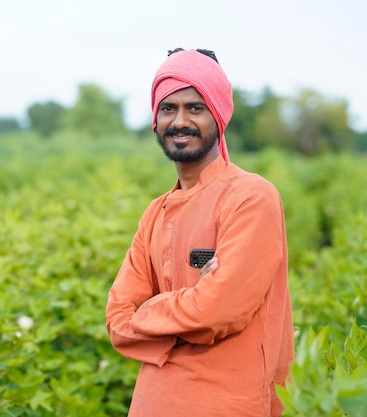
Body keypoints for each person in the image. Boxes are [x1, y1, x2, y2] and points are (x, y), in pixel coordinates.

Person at [105, 48, 294, 417]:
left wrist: (151, 310)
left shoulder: (251, 197)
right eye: (168, 108)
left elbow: (218, 310)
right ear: (155, 120)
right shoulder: (154, 212)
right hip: (151, 404)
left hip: (229, 404)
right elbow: (117, 320)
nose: (180, 120)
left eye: (195, 107)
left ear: (219, 115)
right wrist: (193, 300)